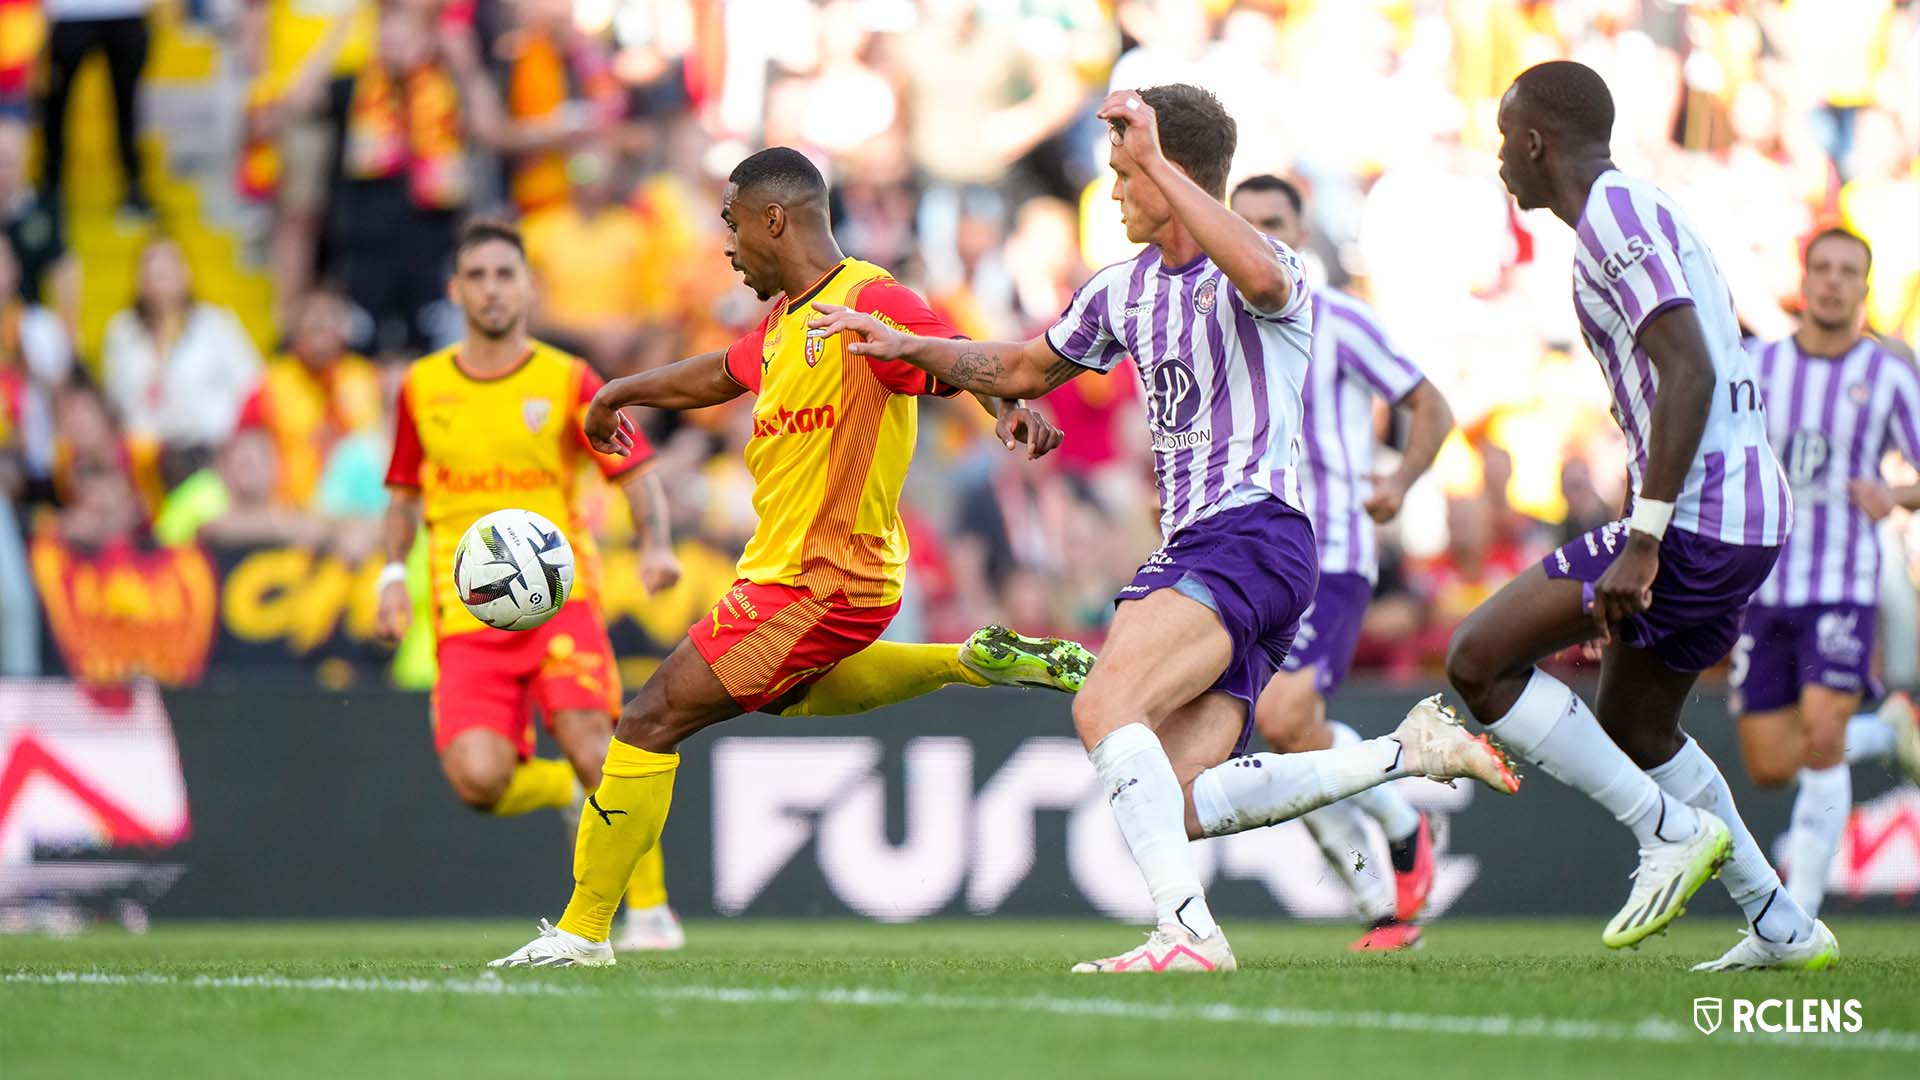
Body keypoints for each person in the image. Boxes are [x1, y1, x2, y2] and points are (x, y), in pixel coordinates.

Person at [809, 85, 1517, 975]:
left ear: (1161, 168)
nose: (1110, 195)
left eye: (1121, 174)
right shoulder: (1122, 290)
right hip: (1229, 553)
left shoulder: (1274, 270)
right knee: (1179, 798)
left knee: (1104, 705)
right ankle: (1404, 752)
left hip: (1248, 533)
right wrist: (907, 344)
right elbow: (1024, 366)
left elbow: (1258, 278)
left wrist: (1155, 162)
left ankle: (1186, 934)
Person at [488, 148, 1099, 968]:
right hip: (793, 575)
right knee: (780, 699)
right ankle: (972, 661)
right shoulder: (783, 323)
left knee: (647, 719)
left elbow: (947, 349)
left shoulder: (871, 298)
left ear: (773, 217)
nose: (728, 245)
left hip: (825, 578)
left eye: (732, 223)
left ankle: (583, 932)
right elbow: (718, 373)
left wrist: (1008, 405)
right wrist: (615, 393)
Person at [1447, 59, 1834, 971]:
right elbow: (1696, 367)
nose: (1501, 159)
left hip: (1699, 518)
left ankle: (1665, 833)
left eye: (1506, 140)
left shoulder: (1613, 220)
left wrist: (1644, 542)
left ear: (1536, 141)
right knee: (1635, 726)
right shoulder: (1644, 209)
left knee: (1478, 662)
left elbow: (1692, 371)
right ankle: (1779, 922)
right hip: (1738, 511)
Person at [375, 219, 687, 952]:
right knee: (477, 780)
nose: (491, 289)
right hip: (467, 614)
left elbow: (634, 469)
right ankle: (570, 796)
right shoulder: (423, 386)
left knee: (593, 739)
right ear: (455, 290)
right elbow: (401, 495)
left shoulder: (568, 378)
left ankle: (650, 912)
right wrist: (391, 576)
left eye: (504, 274)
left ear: (528, 287)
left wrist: (656, 544)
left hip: (559, 601)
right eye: (476, 275)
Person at [1231, 174, 1456, 952]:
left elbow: (1432, 405)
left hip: (1330, 554)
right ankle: (1384, 897)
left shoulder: (1339, 321)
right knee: (1284, 735)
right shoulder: (1219, 324)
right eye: (1247, 225)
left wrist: (1400, 479)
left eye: (1277, 223)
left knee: (1287, 719)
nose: (1265, 238)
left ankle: (1399, 819)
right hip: (1244, 558)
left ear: (1302, 233)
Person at [1731, 226, 1920, 918]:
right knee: (1769, 764)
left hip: (1843, 586)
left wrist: (1895, 495)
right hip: (1765, 588)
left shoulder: (1888, 376)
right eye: (1824, 269)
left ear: (1864, 291)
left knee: (1818, 733)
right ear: (1804, 281)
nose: (1835, 282)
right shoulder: (1758, 366)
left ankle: (1797, 913)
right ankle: (1884, 729)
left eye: (1849, 272)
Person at [101, 235, 263, 452]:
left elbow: (253, 386)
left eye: (170, 264)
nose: (160, 273)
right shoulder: (121, 332)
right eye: (151, 265)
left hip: (209, 451)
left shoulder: (216, 325)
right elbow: (114, 403)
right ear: (138, 279)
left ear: (186, 272)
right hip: (145, 459)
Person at [39, 0, 153, 217]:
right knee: (55, 109)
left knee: (127, 108)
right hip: (68, 14)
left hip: (126, 12)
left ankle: (134, 186)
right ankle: (50, 190)